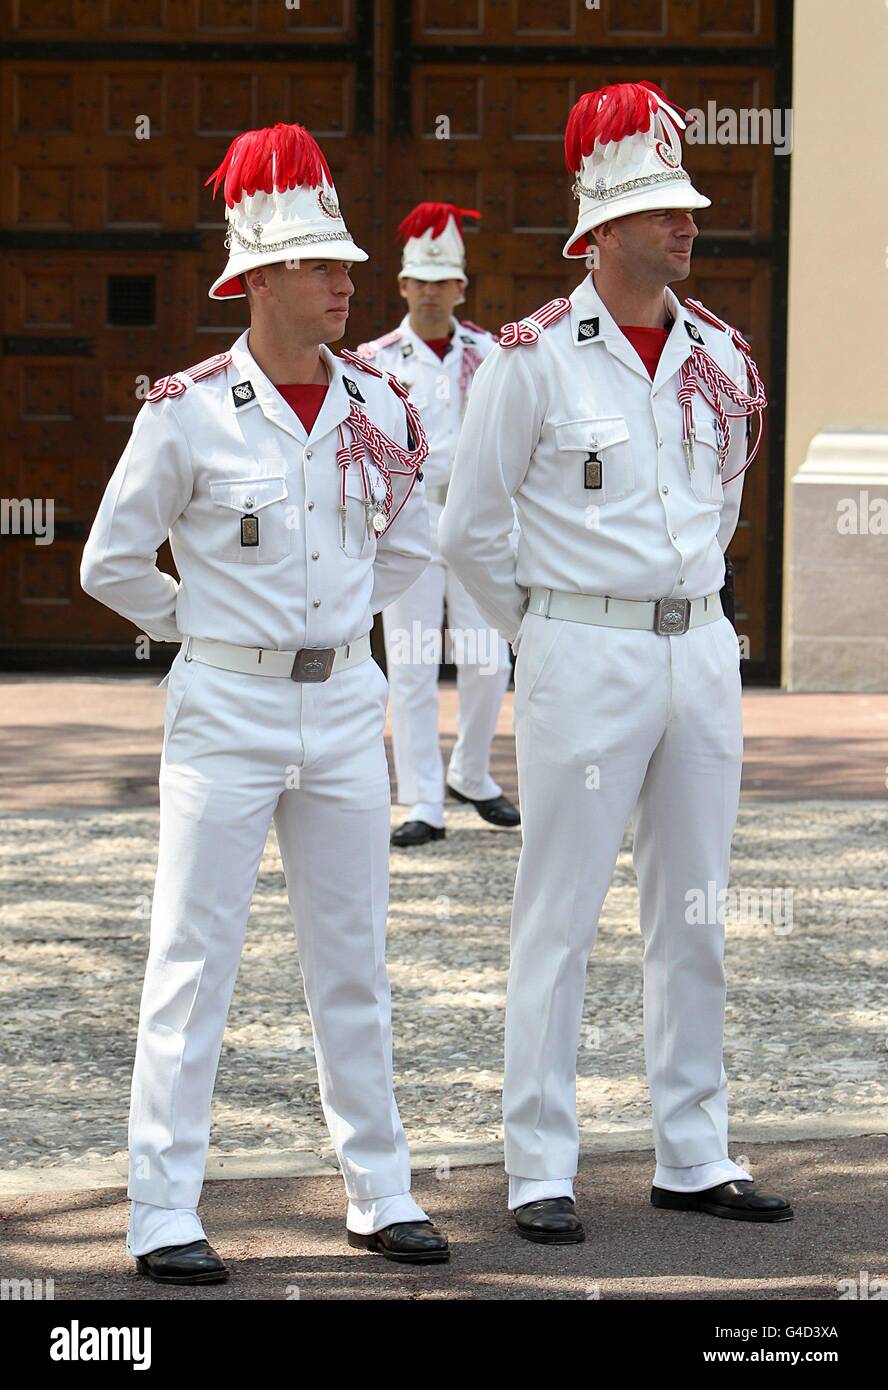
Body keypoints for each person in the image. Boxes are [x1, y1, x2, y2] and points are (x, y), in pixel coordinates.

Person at [80, 121, 450, 1282]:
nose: (350, 281)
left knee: (353, 957)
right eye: (326, 265)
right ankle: (161, 1210)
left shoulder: (384, 406)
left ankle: (379, 1190)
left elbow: (412, 544)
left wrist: (333, 628)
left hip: (344, 706)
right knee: (192, 960)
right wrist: (210, 629)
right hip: (225, 716)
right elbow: (111, 561)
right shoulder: (185, 410)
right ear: (263, 280)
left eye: (348, 265)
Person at [439, 81, 793, 1243]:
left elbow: (724, 500)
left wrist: (680, 605)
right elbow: (470, 528)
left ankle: (694, 1150)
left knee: (691, 910)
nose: (687, 222)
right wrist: (544, 628)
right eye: (659, 208)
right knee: (562, 910)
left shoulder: (723, 356)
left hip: (695, 647)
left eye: (687, 203)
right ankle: (538, 1163)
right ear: (599, 227)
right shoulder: (532, 360)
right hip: (579, 647)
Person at [356, 203, 520, 847]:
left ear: (460, 286)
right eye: (418, 280)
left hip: (477, 523)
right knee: (413, 664)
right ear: (401, 287)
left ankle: (471, 772)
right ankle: (422, 799)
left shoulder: (494, 352)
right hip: (407, 522)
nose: (430, 292)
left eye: (442, 279)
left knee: (487, 659)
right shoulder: (373, 360)